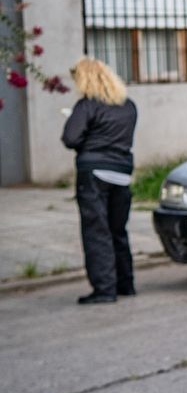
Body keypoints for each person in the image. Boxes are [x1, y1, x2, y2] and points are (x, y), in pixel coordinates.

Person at [62, 57, 138, 305]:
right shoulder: (128, 106)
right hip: (122, 173)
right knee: (118, 230)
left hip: (94, 174)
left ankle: (105, 289)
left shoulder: (87, 106)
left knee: (97, 231)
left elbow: (70, 138)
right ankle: (126, 284)